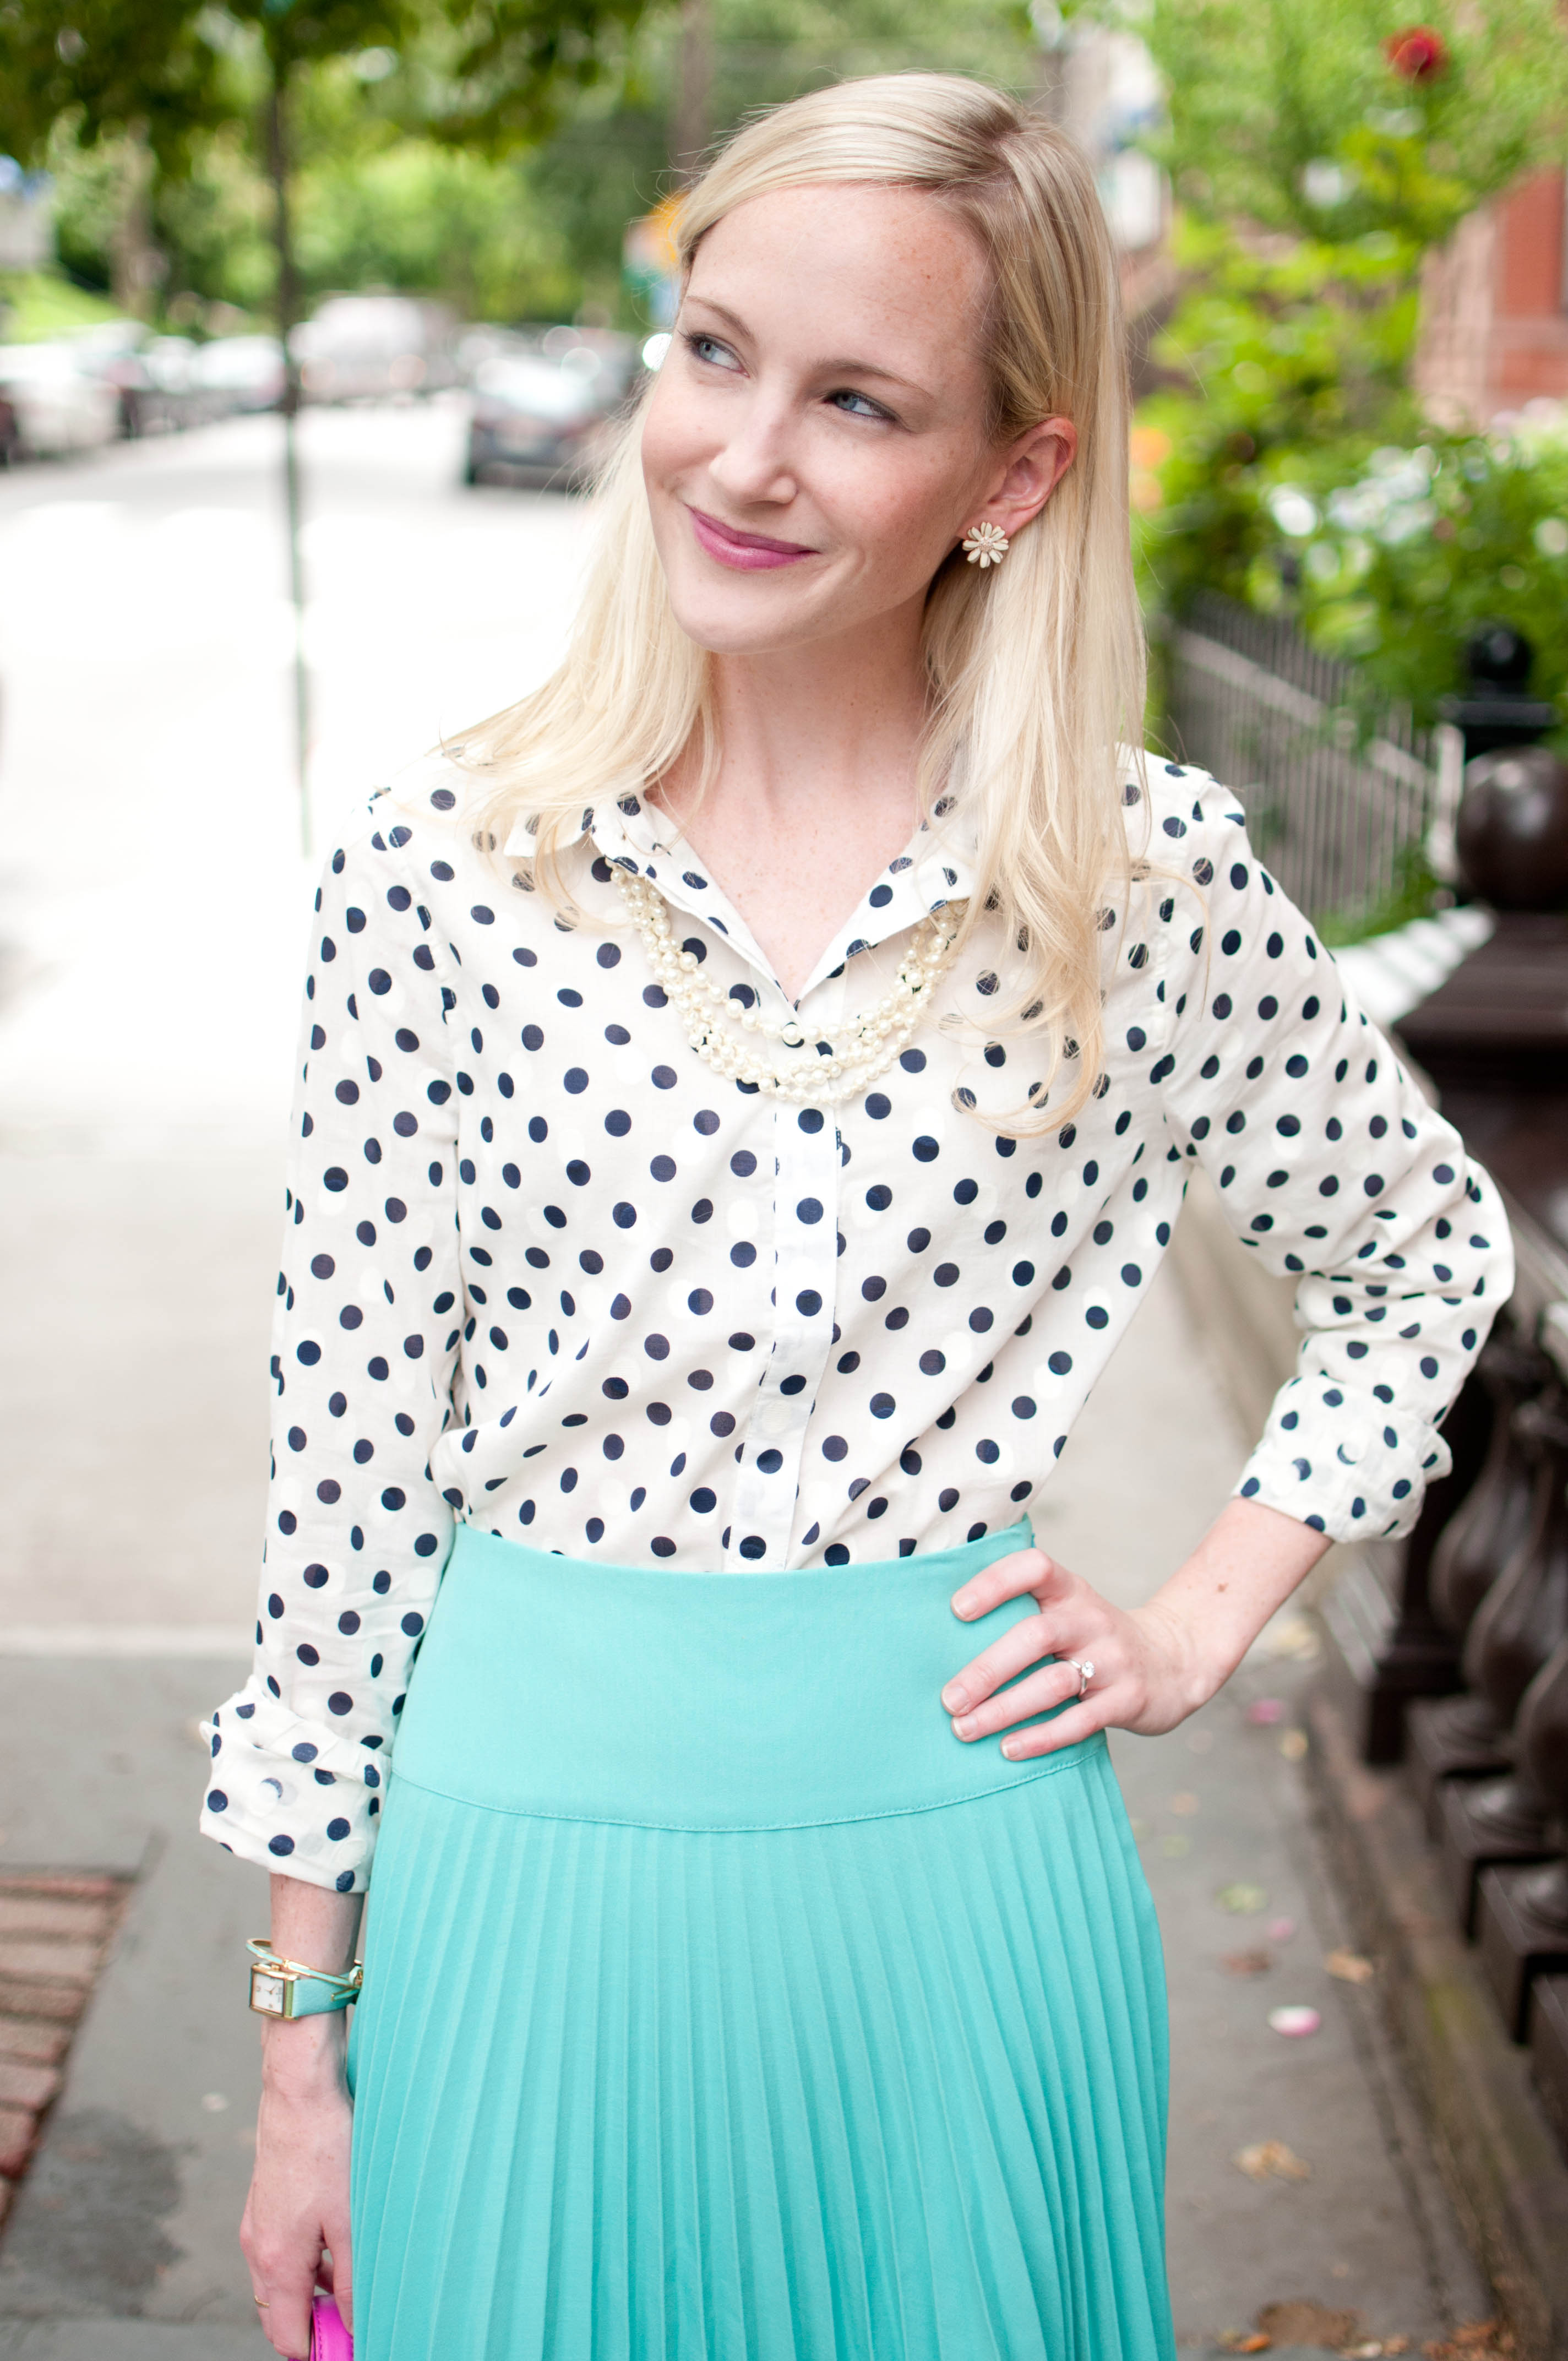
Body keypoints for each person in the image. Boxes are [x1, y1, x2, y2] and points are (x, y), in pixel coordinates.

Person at [202, 71, 1511, 2361]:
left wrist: (1202, 1619)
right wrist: (300, 2049)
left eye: (856, 402)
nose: (743, 456)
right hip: (520, 1884)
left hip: (961, 1885)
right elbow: (344, 1487)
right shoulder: (444, 866)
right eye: (711, 350)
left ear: (1009, 479)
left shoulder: (1137, 879)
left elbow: (1422, 1258)